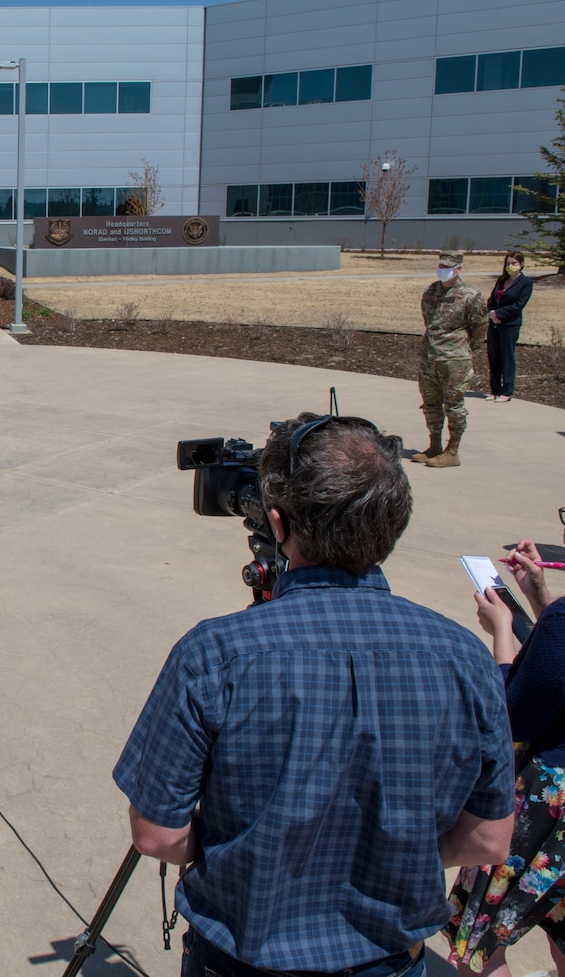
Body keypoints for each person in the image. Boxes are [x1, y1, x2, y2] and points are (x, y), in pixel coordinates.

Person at [114, 411, 516, 976]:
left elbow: (158, 835)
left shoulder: (216, 654)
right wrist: (395, 858)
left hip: (239, 959)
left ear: (276, 523)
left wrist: (242, 858)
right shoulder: (465, 657)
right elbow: (489, 840)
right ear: (393, 522)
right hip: (389, 961)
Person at [443, 521, 565, 975]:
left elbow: (512, 713)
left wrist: (502, 633)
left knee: (481, 945)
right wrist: (540, 598)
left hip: (545, 811)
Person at [414, 253, 489, 468]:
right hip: (430, 357)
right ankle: (434, 446)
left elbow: (479, 328)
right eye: (440, 265)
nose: (442, 270)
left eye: (447, 266)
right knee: (430, 403)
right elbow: (428, 320)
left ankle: (452, 451)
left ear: (458, 269)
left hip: (455, 360)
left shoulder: (471, 295)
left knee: (454, 405)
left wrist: (464, 349)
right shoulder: (431, 291)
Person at [485, 251, 533, 404]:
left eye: (514, 263)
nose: (510, 266)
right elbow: (492, 299)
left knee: (507, 357)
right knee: (494, 357)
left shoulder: (525, 283)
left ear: (521, 265)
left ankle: (507, 391)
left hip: (510, 325)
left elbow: (518, 305)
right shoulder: (501, 280)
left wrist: (499, 314)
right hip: (494, 325)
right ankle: (495, 390)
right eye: (508, 263)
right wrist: (492, 313)